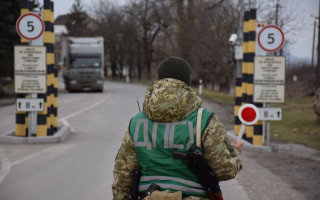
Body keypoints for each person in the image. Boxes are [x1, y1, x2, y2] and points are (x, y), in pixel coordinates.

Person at [112, 56, 244, 200]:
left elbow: (123, 176)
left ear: (159, 79)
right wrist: (235, 152)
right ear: (186, 83)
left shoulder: (136, 122)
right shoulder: (204, 120)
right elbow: (225, 170)